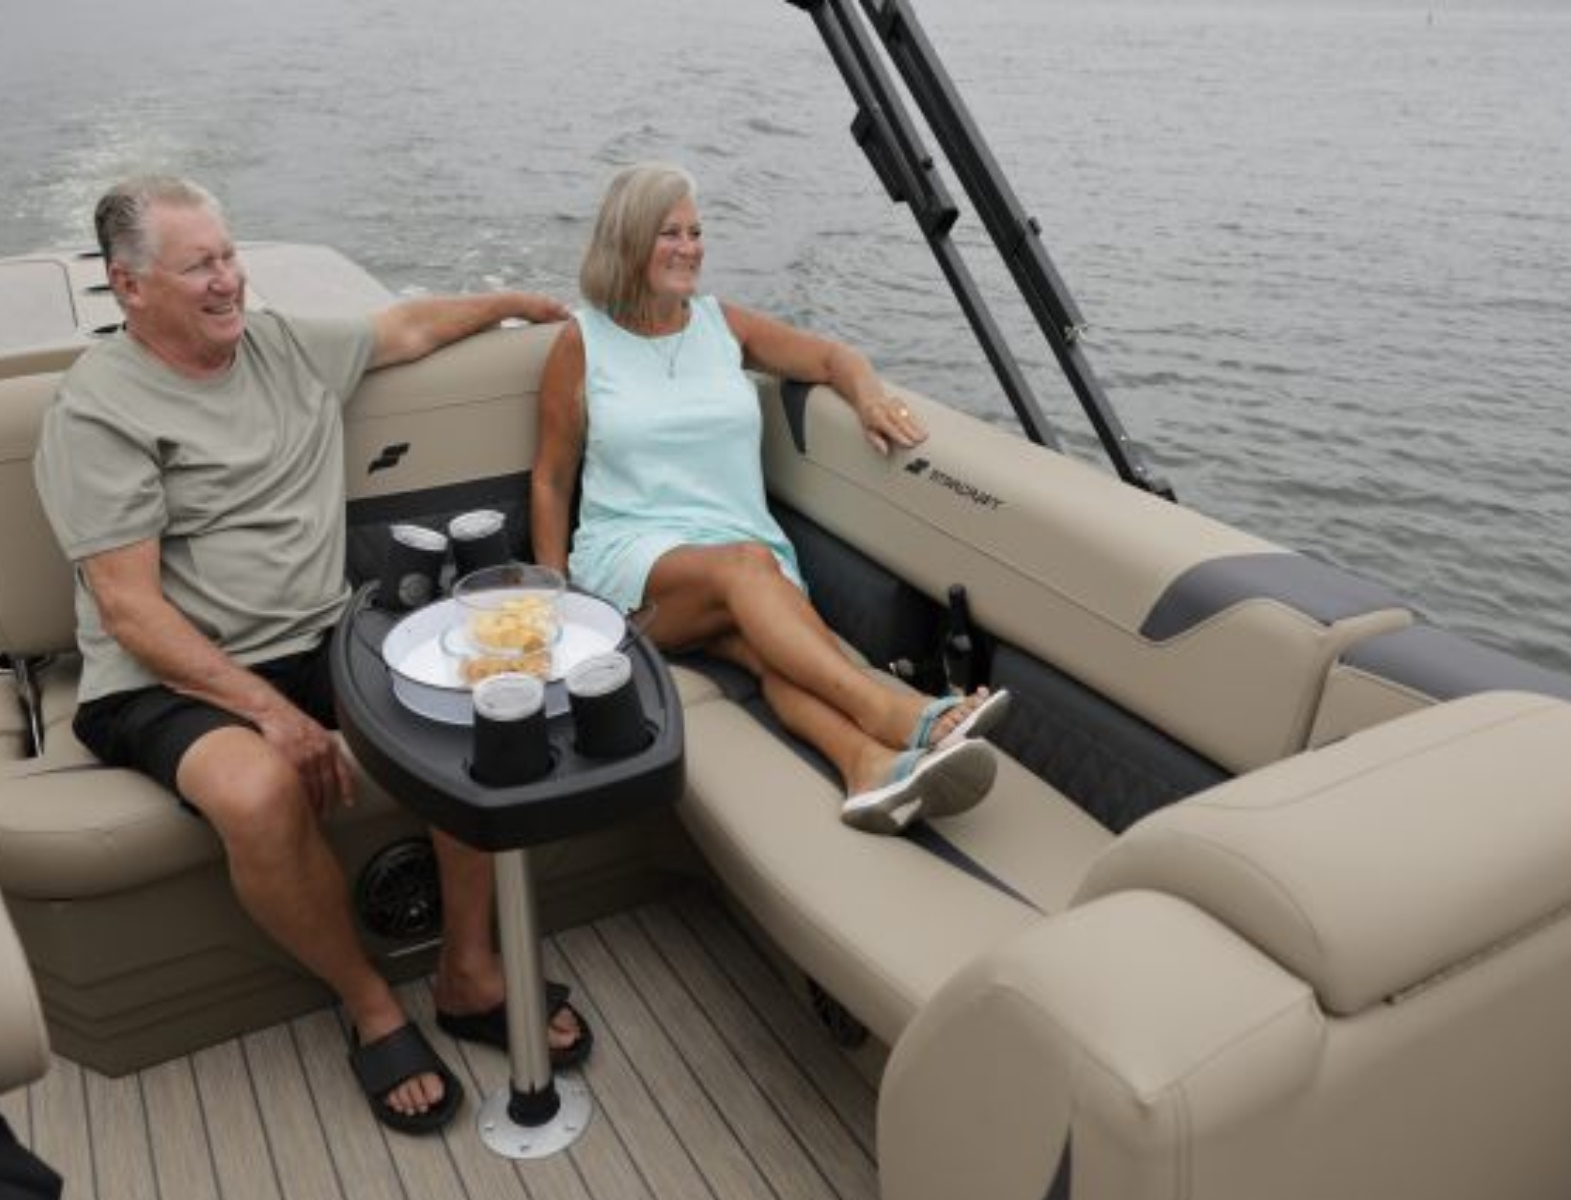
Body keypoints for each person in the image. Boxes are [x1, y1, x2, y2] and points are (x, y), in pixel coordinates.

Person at [32, 175, 589, 1136]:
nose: (227, 281)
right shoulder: (99, 411)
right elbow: (131, 612)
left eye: (230, 255)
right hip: (168, 675)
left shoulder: (282, 347)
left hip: (321, 631)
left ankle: (467, 972)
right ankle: (370, 1006)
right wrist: (273, 716)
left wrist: (517, 304)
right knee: (257, 793)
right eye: (198, 266)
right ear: (129, 287)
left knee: (474, 711)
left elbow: (403, 331)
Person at [533, 163, 1012, 833]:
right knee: (748, 569)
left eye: (696, 232)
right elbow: (552, 478)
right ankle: (893, 711)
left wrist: (868, 397)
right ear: (629, 239)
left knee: (758, 640)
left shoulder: (721, 324)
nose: (690, 247)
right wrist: (556, 599)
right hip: (632, 565)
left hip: (742, 555)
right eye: (670, 233)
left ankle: (867, 767)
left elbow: (832, 359)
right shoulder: (581, 343)